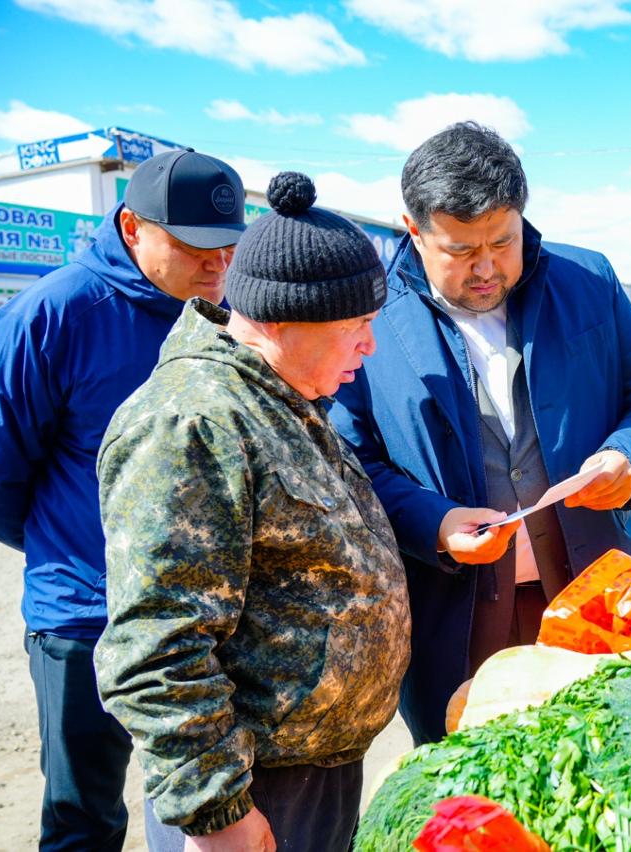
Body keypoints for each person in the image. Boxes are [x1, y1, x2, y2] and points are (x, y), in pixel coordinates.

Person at [330, 122, 631, 745]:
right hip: (456, 615)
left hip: (593, 590)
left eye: (503, 241)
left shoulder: (588, 280)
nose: (487, 267)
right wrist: (433, 523)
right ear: (414, 230)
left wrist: (628, 456)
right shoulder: (368, 316)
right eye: (463, 251)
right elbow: (349, 463)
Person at [0, 149, 246, 850]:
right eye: (196, 248)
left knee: (209, 808)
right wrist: (74, 546)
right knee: (85, 821)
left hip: (204, 628)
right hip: (85, 621)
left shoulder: (227, 317)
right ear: (132, 226)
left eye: (229, 248)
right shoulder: (54, 314)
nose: (216, 267)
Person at [93, 173, 410, 850]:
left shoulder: (282, 396)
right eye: (357, 324)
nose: (369, 346)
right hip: (252, 792)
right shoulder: (192, 420)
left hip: (307, 773)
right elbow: (156, 646)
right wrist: (218, 813)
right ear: (278, 319)